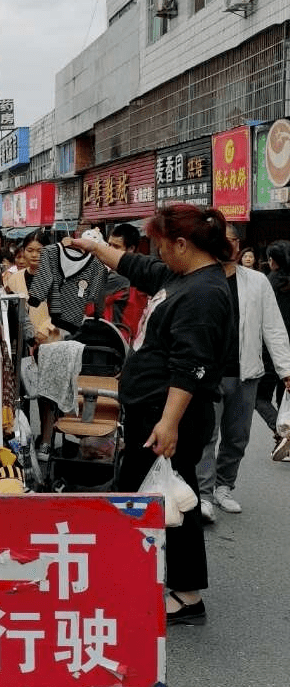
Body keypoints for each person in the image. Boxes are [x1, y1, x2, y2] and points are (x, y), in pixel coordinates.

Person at [67, 205, 233, 624]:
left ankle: (186, 595)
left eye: (160, 245)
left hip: (169, 415)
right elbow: (135, 265)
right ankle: (160, 582)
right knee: (164, 496)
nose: (155, 254)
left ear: (182, 244)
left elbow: (191, 366)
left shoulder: (204, 293)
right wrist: (94, 246)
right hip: (153, 411)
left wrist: (169, 422)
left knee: (170, 498)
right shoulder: (181, 276)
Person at [195, 224, 290, 519]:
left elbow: (273, 328)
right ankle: (204, 494)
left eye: (232, 240)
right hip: (208, 373)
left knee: (237, 437)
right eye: (221, 240)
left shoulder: (258, 282)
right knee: (207, 435)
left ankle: (224, 486)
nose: (227, 245)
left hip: (247, 371)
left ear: (238, 244)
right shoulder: (201, 277)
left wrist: (286, 370)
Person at [256, 240, 290, 460]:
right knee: (284, 396)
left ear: (273, 261)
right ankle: (284, 436)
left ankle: (282, 431)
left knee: (259, 397)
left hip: (271, 351)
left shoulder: (268, 283)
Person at [102, 223, 149, 339]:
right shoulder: (145, 272)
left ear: (131, 249)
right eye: (109, 245)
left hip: (119, 342)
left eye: (116, 247)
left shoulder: (118, 279)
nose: (110, 251)